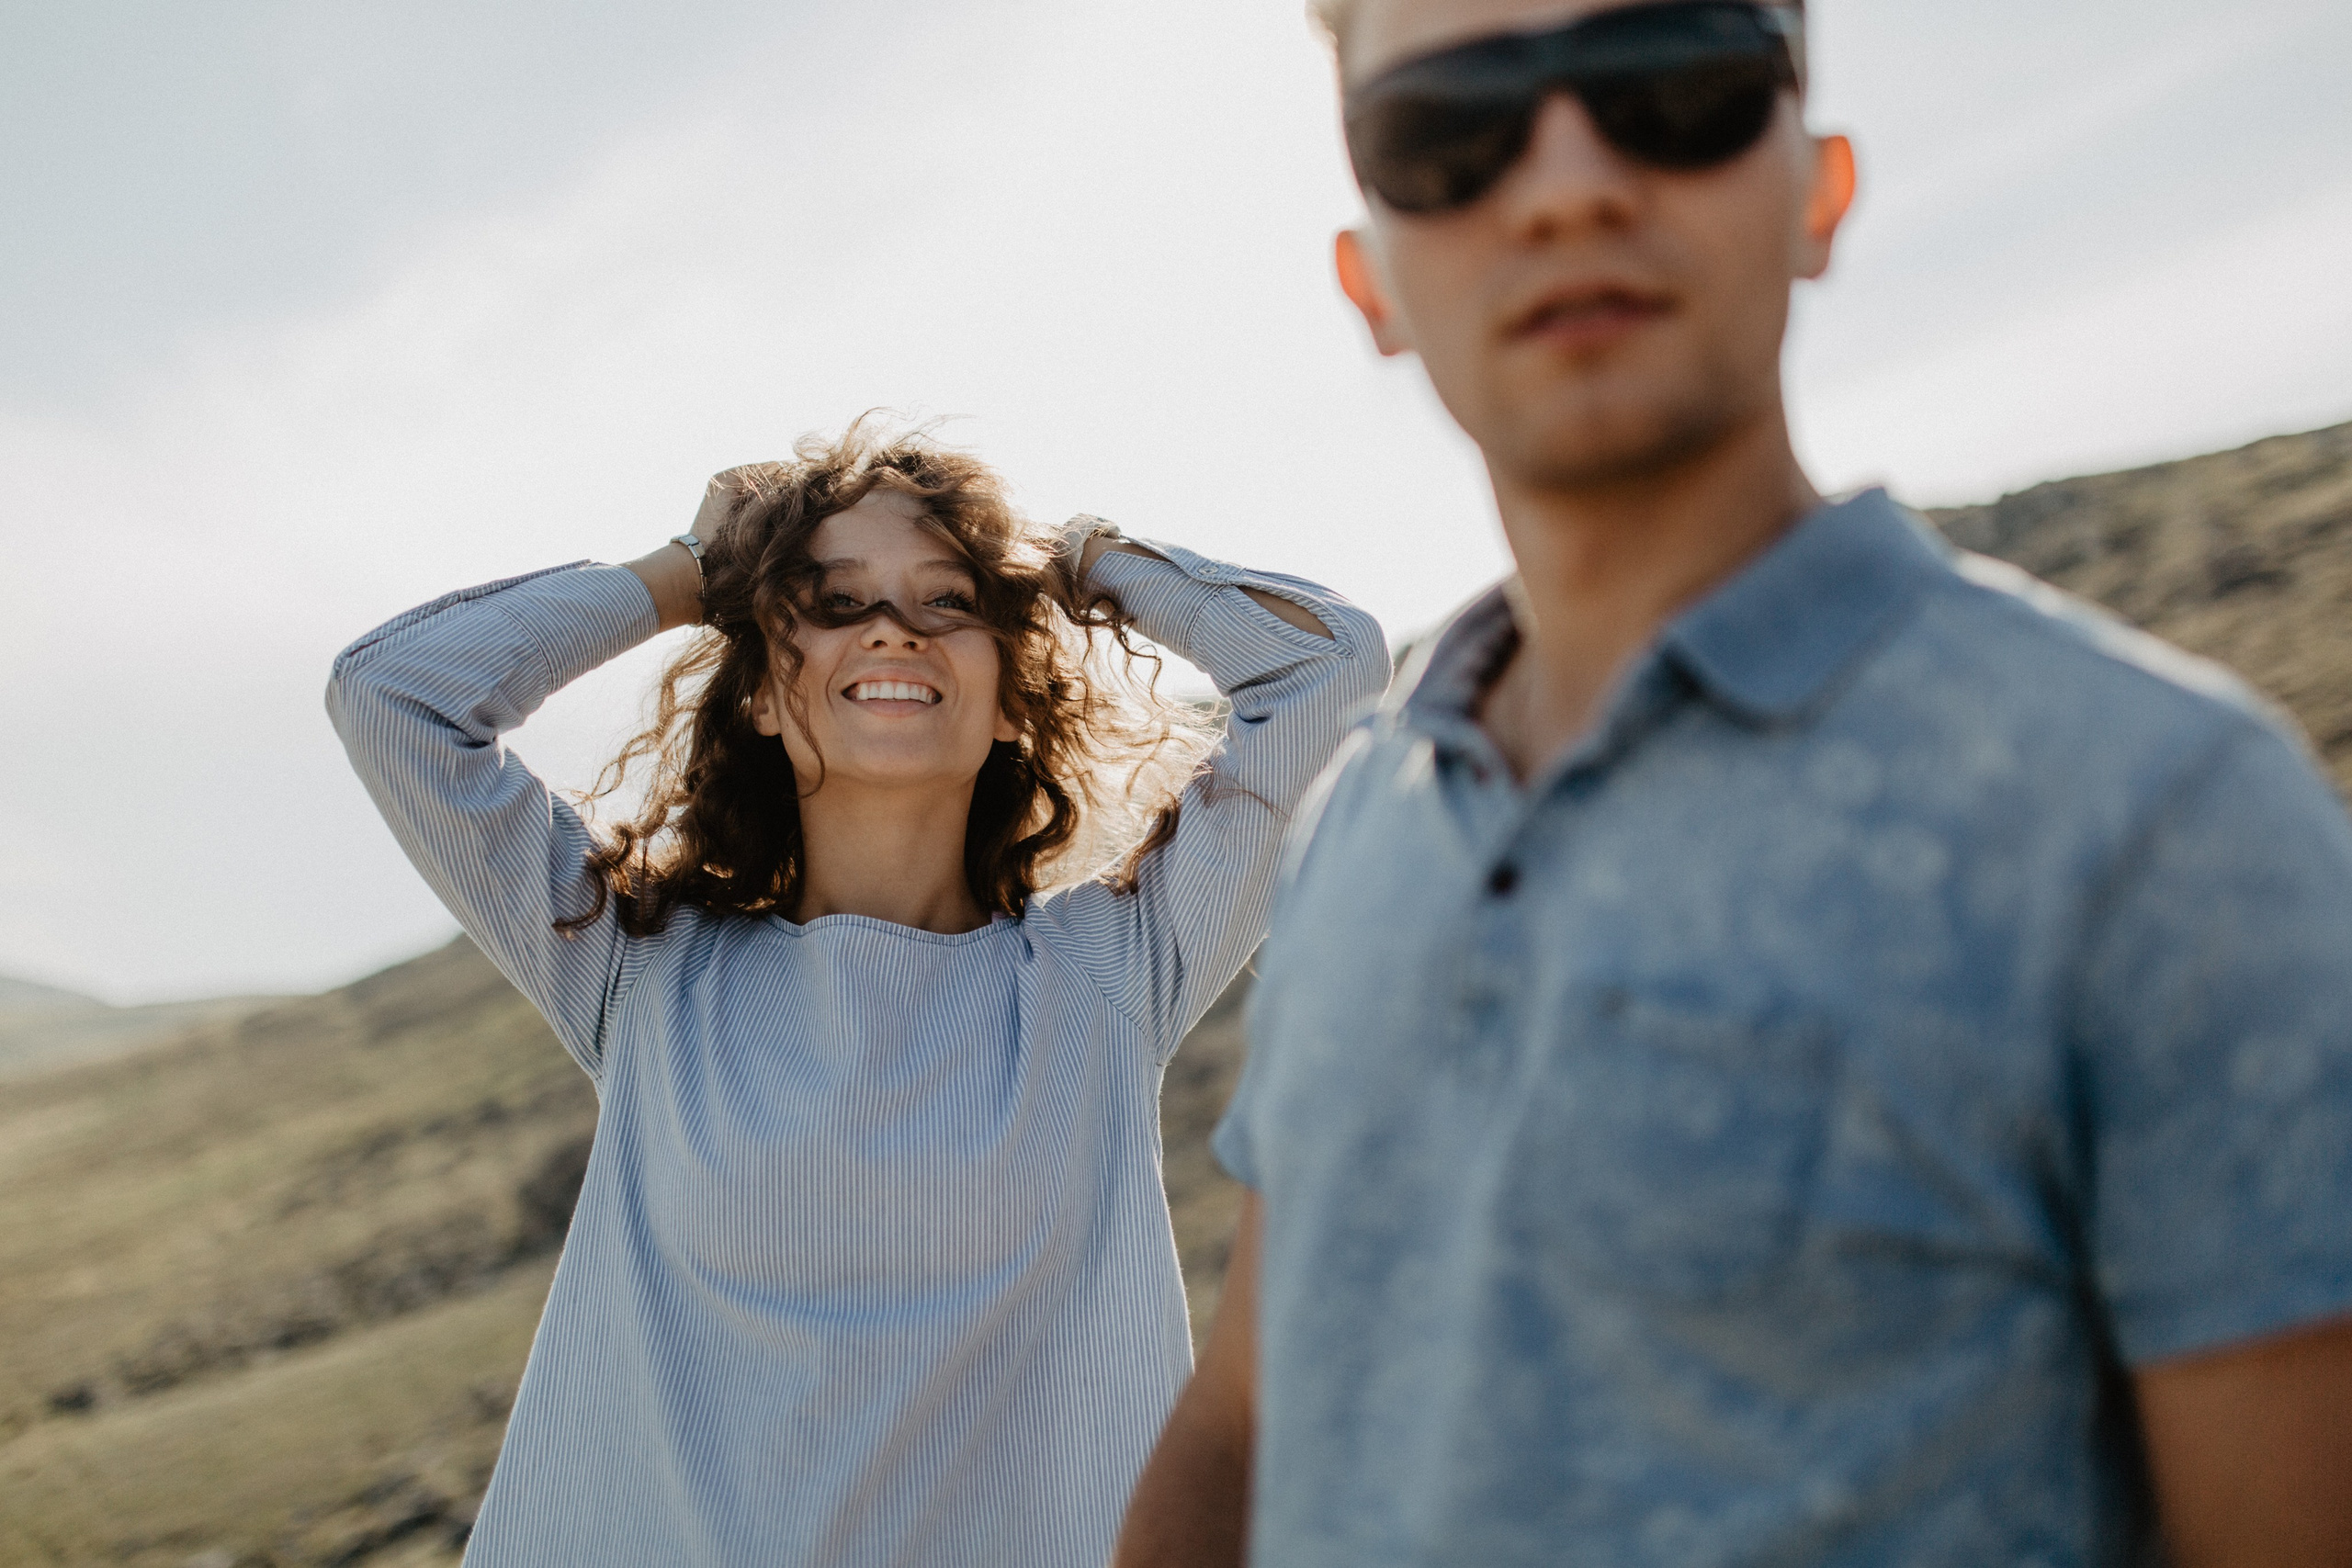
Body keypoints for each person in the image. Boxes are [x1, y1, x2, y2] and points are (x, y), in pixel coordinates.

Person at [1116, 2, 2352, 1564]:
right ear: (1370, 281)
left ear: (1821, 188)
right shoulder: (1363, 823)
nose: (1566, 184)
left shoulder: (2165, 816)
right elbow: (1240, 1428)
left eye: (1672, 85)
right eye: (1449, 129)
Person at [326, 422, 1385, 1565]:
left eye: (948, 601)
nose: (891, 627)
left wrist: (1076, 560)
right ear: (767, 698)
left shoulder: (1113, 975)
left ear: (1013, 697)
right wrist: (688, 570)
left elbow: (1329, 668)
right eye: (831, 603)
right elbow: (395, 696)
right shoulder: (641, 971)